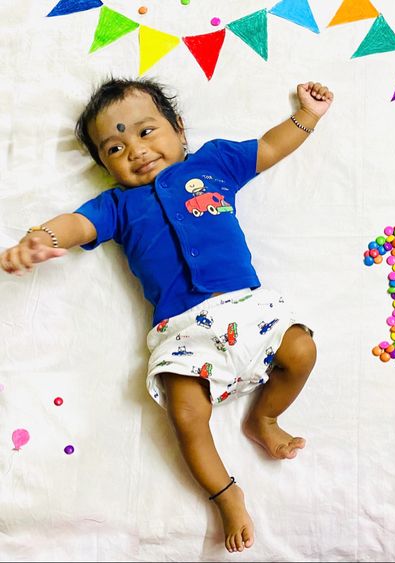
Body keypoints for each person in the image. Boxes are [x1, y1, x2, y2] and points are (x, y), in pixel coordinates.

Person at [0, 77, 334, 552]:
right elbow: (76, 223)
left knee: (301, 349)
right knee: (186, 414)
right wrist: (42, 238)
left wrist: (307, 116)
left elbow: (269, 147)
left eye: (146, 131)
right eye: (115, 147)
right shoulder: (117, 204)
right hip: (182, 332)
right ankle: (225, 494)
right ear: (104, 166)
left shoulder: (214, 164)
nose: (135, 150)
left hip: (248, 307)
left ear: (179, 129)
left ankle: (266, 418)